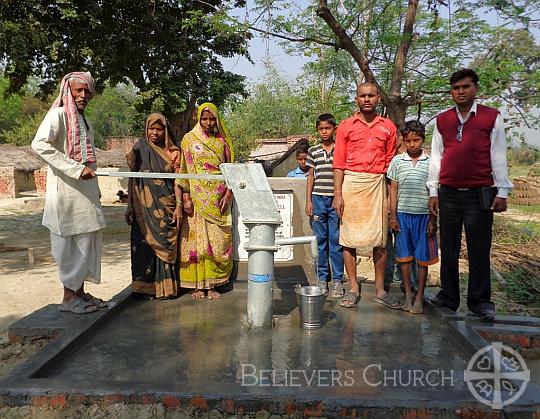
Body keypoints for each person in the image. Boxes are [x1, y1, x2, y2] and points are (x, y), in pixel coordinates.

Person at [426, 68, 513, 321]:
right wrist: (434, 190)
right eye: (456, 88)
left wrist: (503, 191)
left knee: (479, 248)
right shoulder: (442, 120)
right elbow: (436, 158)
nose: (460, 92)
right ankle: (449, 297)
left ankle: (480, 301)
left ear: (475, 88)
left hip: (480, 194)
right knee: (449, 248)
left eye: (465, 87)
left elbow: (498, 156)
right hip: (449, 193)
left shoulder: (490, 117)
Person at [31, 72, 107, 314]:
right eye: (78, 91)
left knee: (86, 243)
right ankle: (68, 297)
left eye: (87, 91)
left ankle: (80, 293)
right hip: (65, 195)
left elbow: (89, 163)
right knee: (69, 247)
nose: (83, 95)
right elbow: (39, 144)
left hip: (85, 196)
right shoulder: (58, 115)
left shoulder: (85, 122)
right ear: (68, 92)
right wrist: (75, 169)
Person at [333, 82, 398, 309]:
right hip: (351, 183)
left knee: (380, 241)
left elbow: (391, 165)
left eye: (371, 95)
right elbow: (339, 163)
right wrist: (338, 194)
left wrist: (392, 198)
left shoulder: (388, 127)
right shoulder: (345, 126)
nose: (367, 99)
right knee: (348, 240)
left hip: (378, 184)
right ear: (356, 99)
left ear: (378, 97)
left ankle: (380, 290)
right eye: (362, 95)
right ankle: (353, 288)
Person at [175, 102, 234, 300]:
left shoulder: (222, 142)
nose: (208, 123)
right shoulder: (189, 140)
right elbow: (183, 169)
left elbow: (230, 171)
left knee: (216, 243)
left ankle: (212, 285)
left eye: (212, 119)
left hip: (218, 200)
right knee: (196, 242)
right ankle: (198, 286)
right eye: (204, 119)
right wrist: (185, 196)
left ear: (217, 120)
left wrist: (228, 194)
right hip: (196, 198)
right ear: (198, 119)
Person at [125, 113, 182, 299]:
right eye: (151, 128)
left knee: (165, 243)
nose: (155, 133)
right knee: (143, 247)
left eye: (159, 129)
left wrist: (179, 205)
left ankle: (166, 289)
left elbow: (178, 182)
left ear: (165, 131)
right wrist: (130, 205)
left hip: (166, 207)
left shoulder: (174, 153)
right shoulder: (140, 148)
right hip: (143, 207)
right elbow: (132, 178)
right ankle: (145, 288)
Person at [387, 121, 438, 314]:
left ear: (422, 139)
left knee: (422, 259)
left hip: (424, 217)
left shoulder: (431, 162)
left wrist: (434, 219)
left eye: (416, 140)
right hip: (402, 215)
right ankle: (408, 294)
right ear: (403, 141)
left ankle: (420, 297)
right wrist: (392, 216)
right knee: (404, 258)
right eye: (408, 141)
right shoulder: (397, 162)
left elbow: (435, 192)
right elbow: (393, 190)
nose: (412, 144)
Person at [305, 113, 344, 298]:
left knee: (336, 241)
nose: (324, 132)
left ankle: (337, 280)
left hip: (335, 200)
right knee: (320, 241)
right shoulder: (313, 151)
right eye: (321, 129)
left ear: (334, 129)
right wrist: (308, 200)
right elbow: (311, 176)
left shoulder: (341, 149)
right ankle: (322, 278)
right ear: (317, 130)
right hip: (318, 199)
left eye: (327, 128)